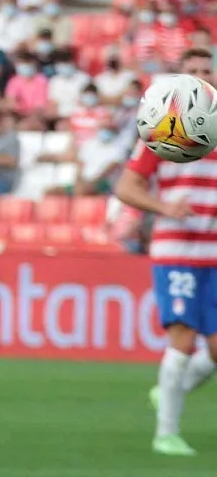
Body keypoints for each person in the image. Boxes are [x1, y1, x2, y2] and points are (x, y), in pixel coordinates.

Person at [115, 47, 217, 456]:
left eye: (203, 68)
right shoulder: (163, 128)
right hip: (177, 250)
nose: (198, 75)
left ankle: (168, 389)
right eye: (190, 69)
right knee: (183, 338)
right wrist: (165, 207)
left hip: (214, 252)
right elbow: (126, 187)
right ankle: (166, 435)